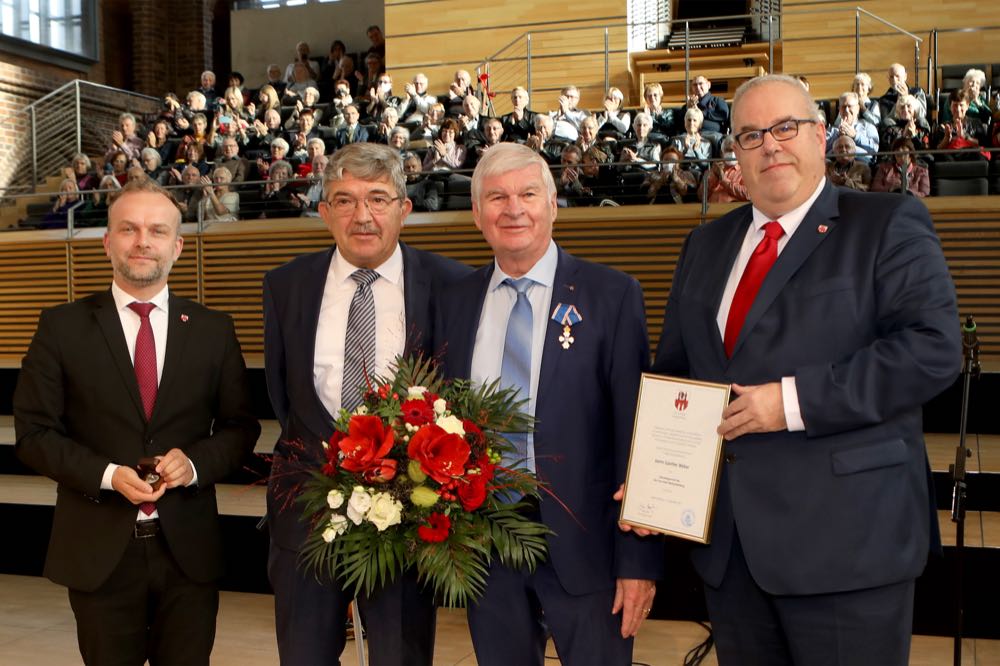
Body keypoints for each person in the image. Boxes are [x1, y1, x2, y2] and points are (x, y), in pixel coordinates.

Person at [640, 73, 960, 664]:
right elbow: (680, 377)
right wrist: (652, 477)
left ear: (819, 135)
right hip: (733, 553)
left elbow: (931, 349)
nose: (771, 145)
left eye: (785, 127)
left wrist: (787, 403)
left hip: (848, 544)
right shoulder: (704, 246)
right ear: (734, 153)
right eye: (751, 135)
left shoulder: (886, 224)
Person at [13, 177, 260, 666]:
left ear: (178, 245)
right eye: (128, 229)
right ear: (107, 242)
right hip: (99, 553)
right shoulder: (60, 327)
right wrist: (107, 475)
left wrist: (192, 463)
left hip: (189, 555)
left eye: (156, 230)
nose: (143, 241)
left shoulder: (214, 330)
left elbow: (240, 428)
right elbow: (34, 434)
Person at [435, 142, 662, 666]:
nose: (513, 208)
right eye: (496, 197)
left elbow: (638, 436)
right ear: (476, 214)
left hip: (590, 552)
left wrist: (640, 562)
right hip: (485, 547)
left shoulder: (612, 296)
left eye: (528, 194)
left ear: (553, 203)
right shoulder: (453, 302)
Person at [263, 142, 469, 665]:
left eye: (378, 199)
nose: (363, 216)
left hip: (404, 516)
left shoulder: (451, 284)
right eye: (345, 200)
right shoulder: (285, 284)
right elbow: (285, 398)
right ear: (324, 211)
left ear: (404, 208)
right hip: (306, 513)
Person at [825, 91, 879, 164]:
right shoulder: (832, 130)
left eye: (850, 106)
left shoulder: (868, 126)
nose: (847, 110)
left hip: (860, 162)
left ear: (857, 108)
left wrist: (855, 136)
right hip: (834, 163)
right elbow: (821, 149)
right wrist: (837, 136)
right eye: (843, 107)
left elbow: (874, 149)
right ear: (839, 110)